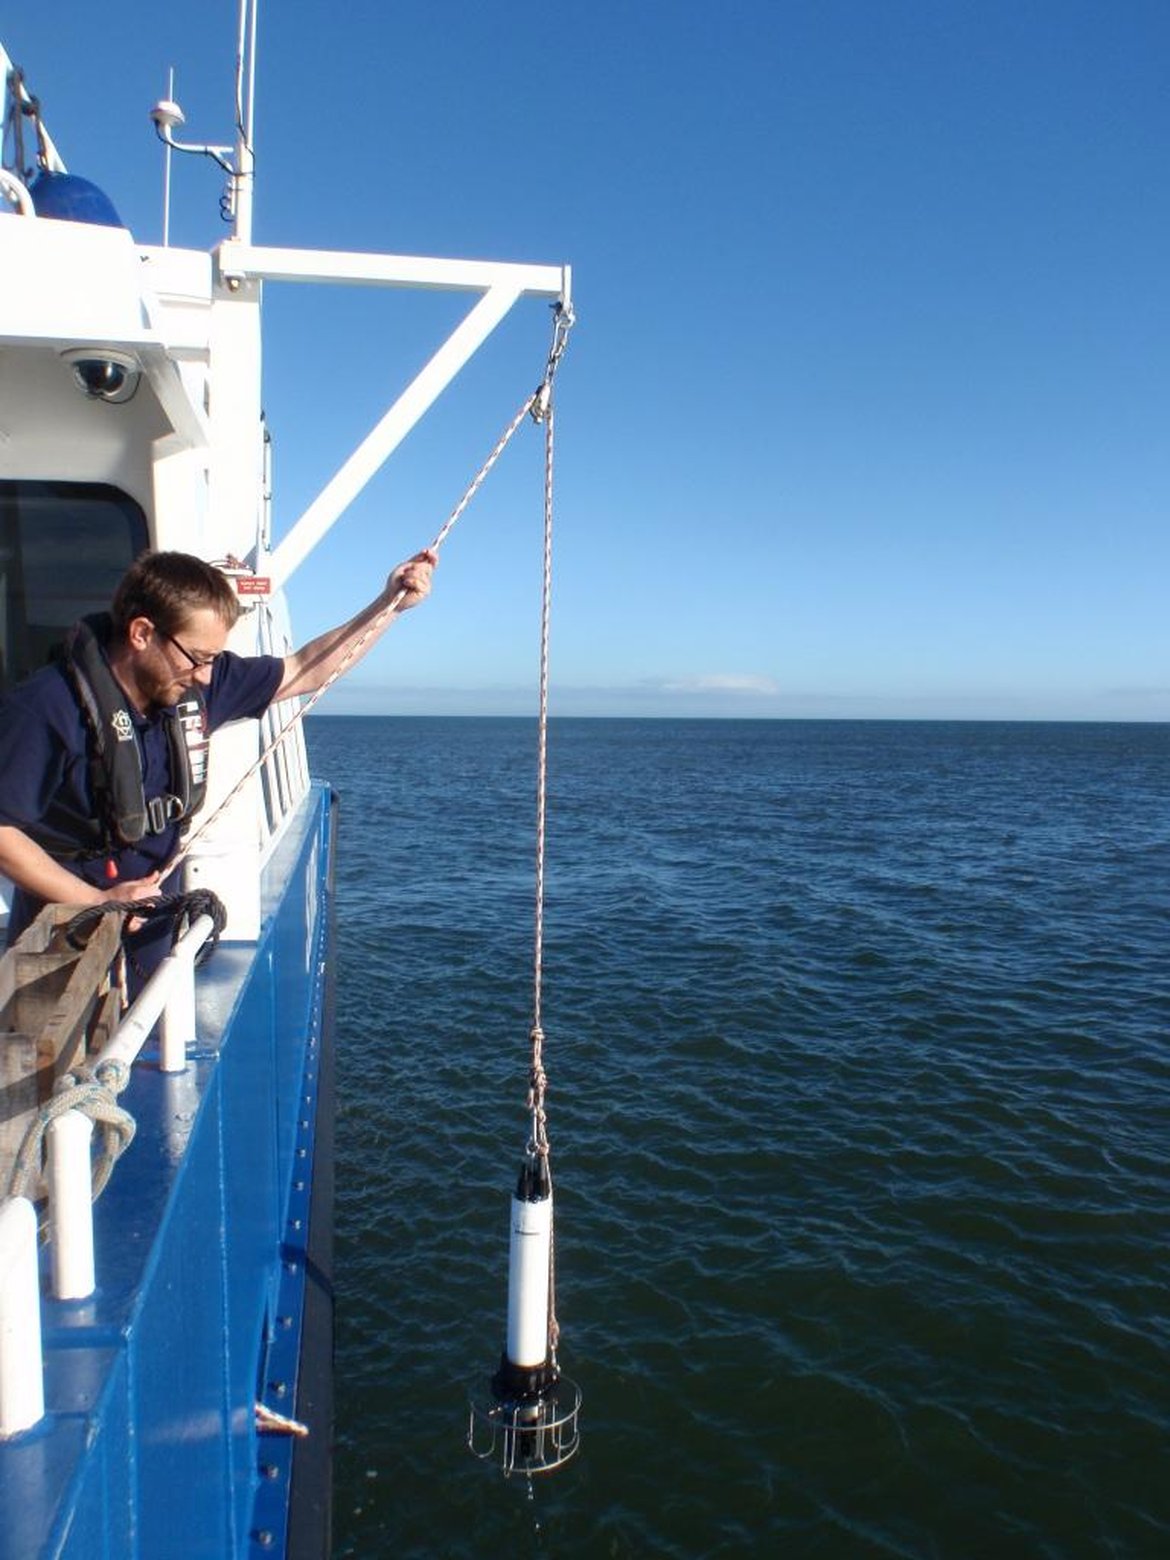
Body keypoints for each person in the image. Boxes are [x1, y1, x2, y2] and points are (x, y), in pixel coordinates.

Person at [0, 547, 436, 963]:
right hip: (63, 933)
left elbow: (306, 668)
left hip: (149, 924)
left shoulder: (194, 685)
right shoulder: (44, 708)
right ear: (142, 633)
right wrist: (96, 901)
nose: (208, 677)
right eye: (198, 657)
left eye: (214, 659)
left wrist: (389, 605)